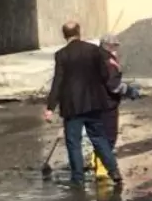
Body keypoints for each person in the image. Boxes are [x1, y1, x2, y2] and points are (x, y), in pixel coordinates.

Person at [44, 21, 122, 188]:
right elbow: (103, 74)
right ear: (79, 32)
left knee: (74, 143)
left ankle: (78, 179)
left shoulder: (61, 55)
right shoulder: (93, 51)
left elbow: (58, 82)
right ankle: (114, 171)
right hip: (94, 103)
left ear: (64, 35)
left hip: (72, 106)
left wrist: (50, 107)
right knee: (100, 139)